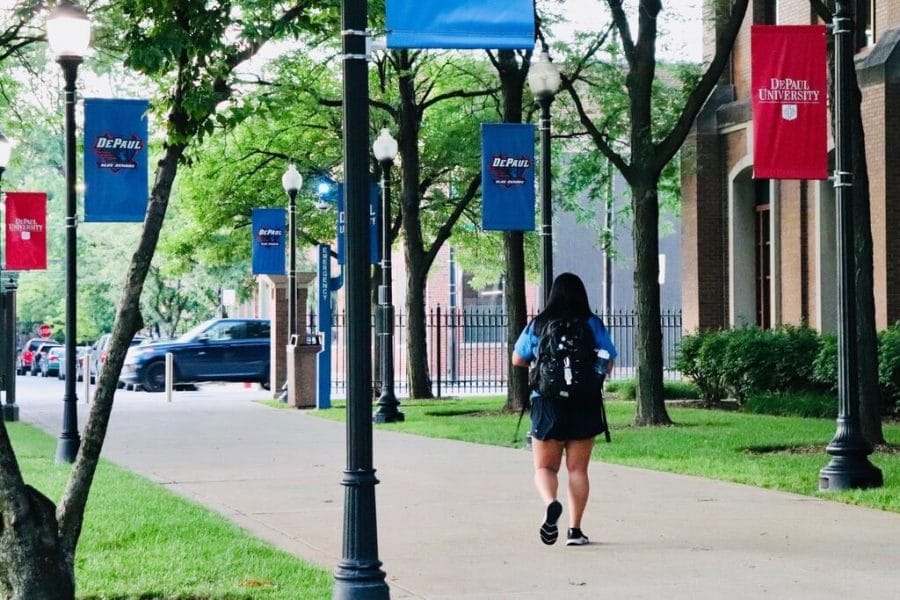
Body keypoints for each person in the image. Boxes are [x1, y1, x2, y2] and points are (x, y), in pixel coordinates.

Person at [512, 272, 617, 546]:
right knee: (577, 470)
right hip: (585, 402)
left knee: (545, 467)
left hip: (546, 402)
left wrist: (541, 365)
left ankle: (550, 503)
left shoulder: (539, 324)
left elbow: (517, 358)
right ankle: (575, 531)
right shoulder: (593, 324)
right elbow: (608, 363)